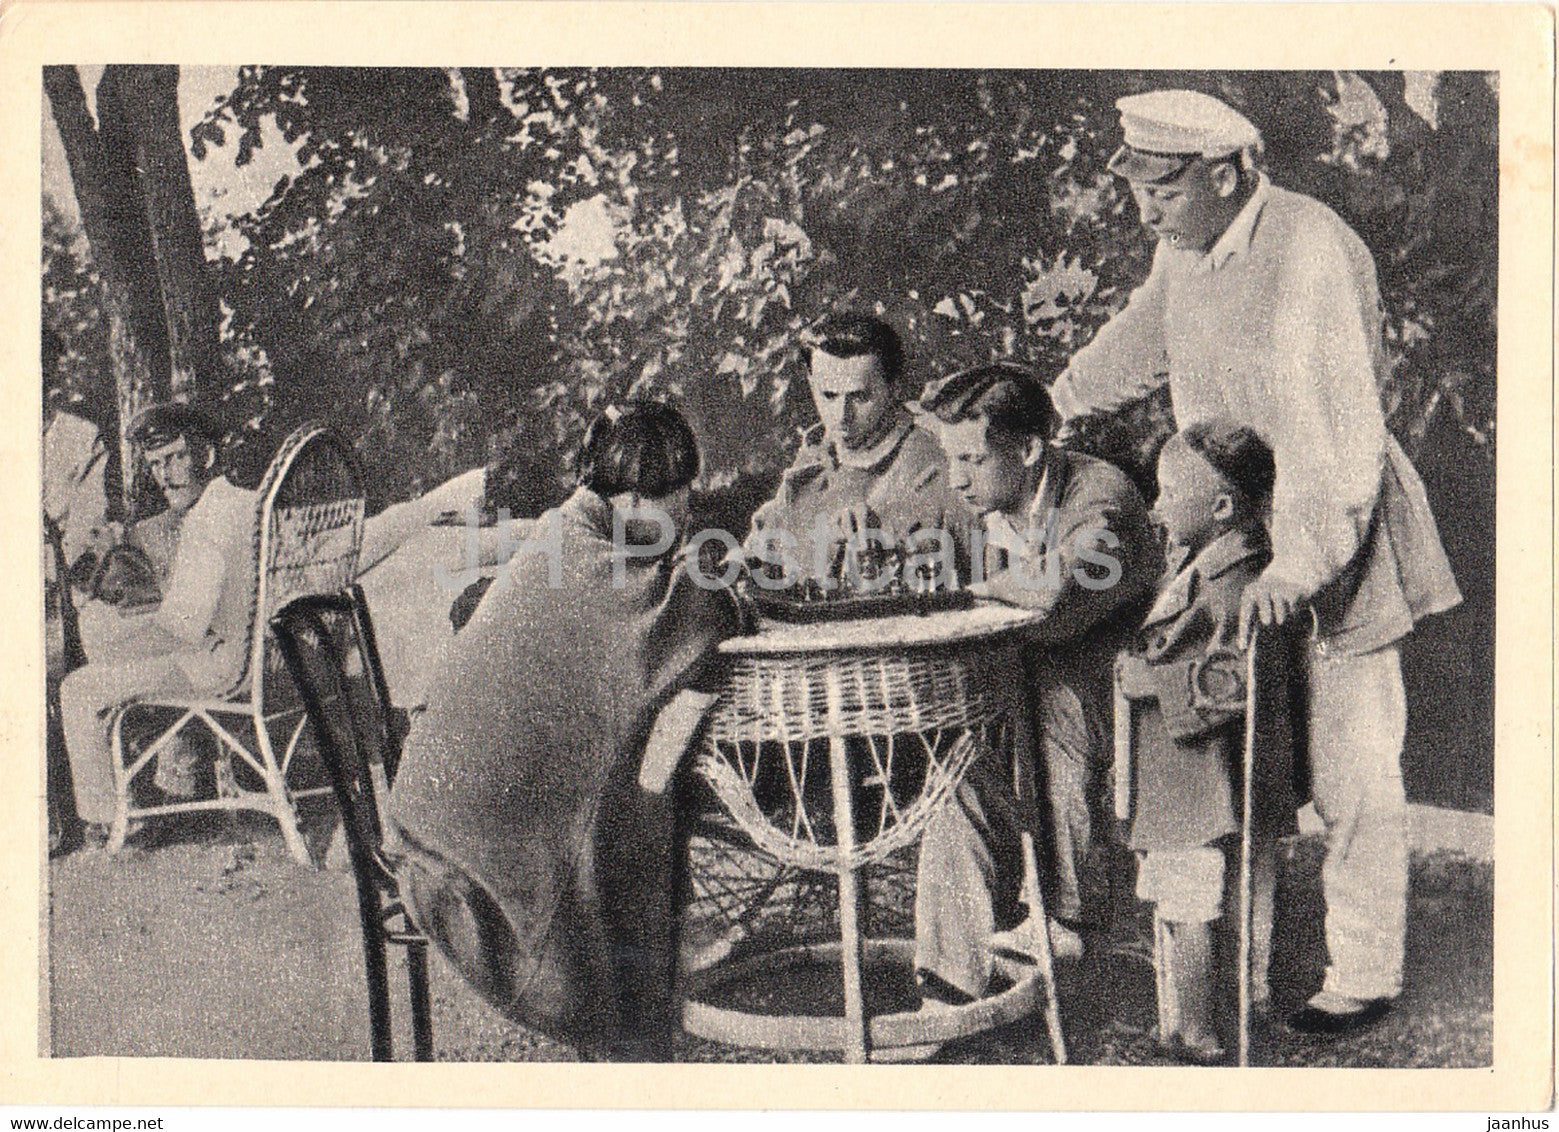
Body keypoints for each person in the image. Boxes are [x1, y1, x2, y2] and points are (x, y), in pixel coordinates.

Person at [1049, 89, 1462, 1033]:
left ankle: (1363, 972)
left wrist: (1299, 563)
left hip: (1333, 525)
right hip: (1236, 525)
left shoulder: (1308, 249)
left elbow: (1333, 432)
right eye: (1139, 189)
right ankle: (1235, 970)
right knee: (1239, 745)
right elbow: (1143, 333)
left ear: (1226, 173)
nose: (1143, 208)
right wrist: (1061, 397)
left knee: (1353, 760)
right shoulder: (1187, 247)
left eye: (1161, 188)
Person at [388, 401, 744, 1061]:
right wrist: (707, 565)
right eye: (678, 501)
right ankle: (627, 1025)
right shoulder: (583, 551)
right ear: (636, 498)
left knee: (632, 795)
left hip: (435, 813)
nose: (687, 516)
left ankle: (641, 1005)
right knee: (636, 807)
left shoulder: (569, 532)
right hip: (462, 866)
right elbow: (692, 617)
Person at [909, 363, 1158, 1003]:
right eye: (950, 457)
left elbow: (1052, 592)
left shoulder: (1101, 496)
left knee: (1059, 703)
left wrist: (965, 591)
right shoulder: (983, 498)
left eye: (971, 457)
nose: (957, 476)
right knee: (956, 780)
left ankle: (1066, 918)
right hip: (1014, 696)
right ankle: (948, 982)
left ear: (1027, 450)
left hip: (1125, 698)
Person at [1116, 420, 1301, 1064]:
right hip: (1185, 774)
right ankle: (1196, 1014)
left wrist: (1146, 681)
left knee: (1191, 895)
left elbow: (1231, 684)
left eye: (1169, 494)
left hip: (1203, 778)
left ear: (1222, 507)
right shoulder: (1206, 563)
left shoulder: (1236, 583)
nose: (1156, 506)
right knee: (1185, 892)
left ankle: (1197, 1027)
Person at [59, 405, 261, 841]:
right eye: (155, 464)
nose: (165, 475)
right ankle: (142, 803)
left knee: (77, 688)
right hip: (246, 657)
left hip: (212, 669)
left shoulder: (205, 523)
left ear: (204, 456)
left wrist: (107, 646)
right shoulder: (245, 502)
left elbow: (179, 630)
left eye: (175, 458)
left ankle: (107, 823)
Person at [744, 312, 966, 585]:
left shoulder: (942, 466)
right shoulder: (815, 456)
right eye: (828, 395)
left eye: (860, 397)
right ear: (812, 384)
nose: (841, 415)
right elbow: (757, 555)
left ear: (894, 388)